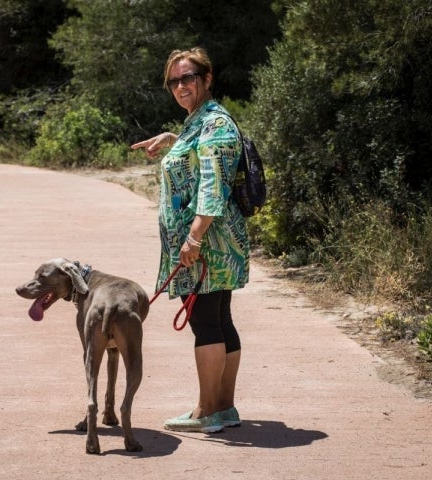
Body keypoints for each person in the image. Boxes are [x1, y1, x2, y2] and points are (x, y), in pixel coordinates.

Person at [131, 47, 250, 433]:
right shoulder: (200, 122)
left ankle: (206, 411)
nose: (181, 85)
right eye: (174, 80)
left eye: (189, 77)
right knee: (219, 319)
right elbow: (198, 160)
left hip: (207, 245)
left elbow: (213, 186)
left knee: (204, 323)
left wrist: (194, 238)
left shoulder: (215, 124)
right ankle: (224, 408)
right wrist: (173, 138)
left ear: (207, 78)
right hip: (214, 243)